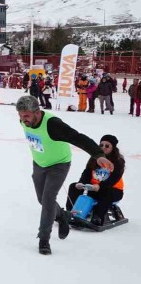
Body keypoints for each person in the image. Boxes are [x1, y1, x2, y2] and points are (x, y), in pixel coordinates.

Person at [16, 95, 112, 255]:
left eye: (26, 115)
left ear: (37, 112)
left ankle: (44, 239)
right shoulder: (25, 120)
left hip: (59, 165)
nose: (22, 119)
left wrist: (98, 154)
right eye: (20, 116)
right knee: (42, 198)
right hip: (39, 163)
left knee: (47, 199)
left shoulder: (53, 125)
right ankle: (62, 216)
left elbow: (77, 137)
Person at [66, 134, 125, 226]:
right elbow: (87, 173)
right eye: (101, 145)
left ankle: (98, 216)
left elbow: (114, 178)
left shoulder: (118, 161)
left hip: (113, 190)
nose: (103, 147)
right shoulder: (95, 158)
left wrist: (99, 186)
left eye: (107, 146)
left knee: (107, 193)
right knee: (73, 187)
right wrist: (81, 183)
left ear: (113, 148)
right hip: (93, 188)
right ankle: (70, 212)